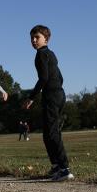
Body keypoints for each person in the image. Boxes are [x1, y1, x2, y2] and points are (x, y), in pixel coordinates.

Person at [22, 25, 74, 181]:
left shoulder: (41, 55)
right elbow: (59, 76)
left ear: (46, 38)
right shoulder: (50, 54)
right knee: (47, 133)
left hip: (52, 95)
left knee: (52, 133)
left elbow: (43, 78)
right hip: (57, 94)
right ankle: (56, 166)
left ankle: (64, 169)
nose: (33, 40)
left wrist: (31, 97)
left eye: (37, 37)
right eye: (31, 37)